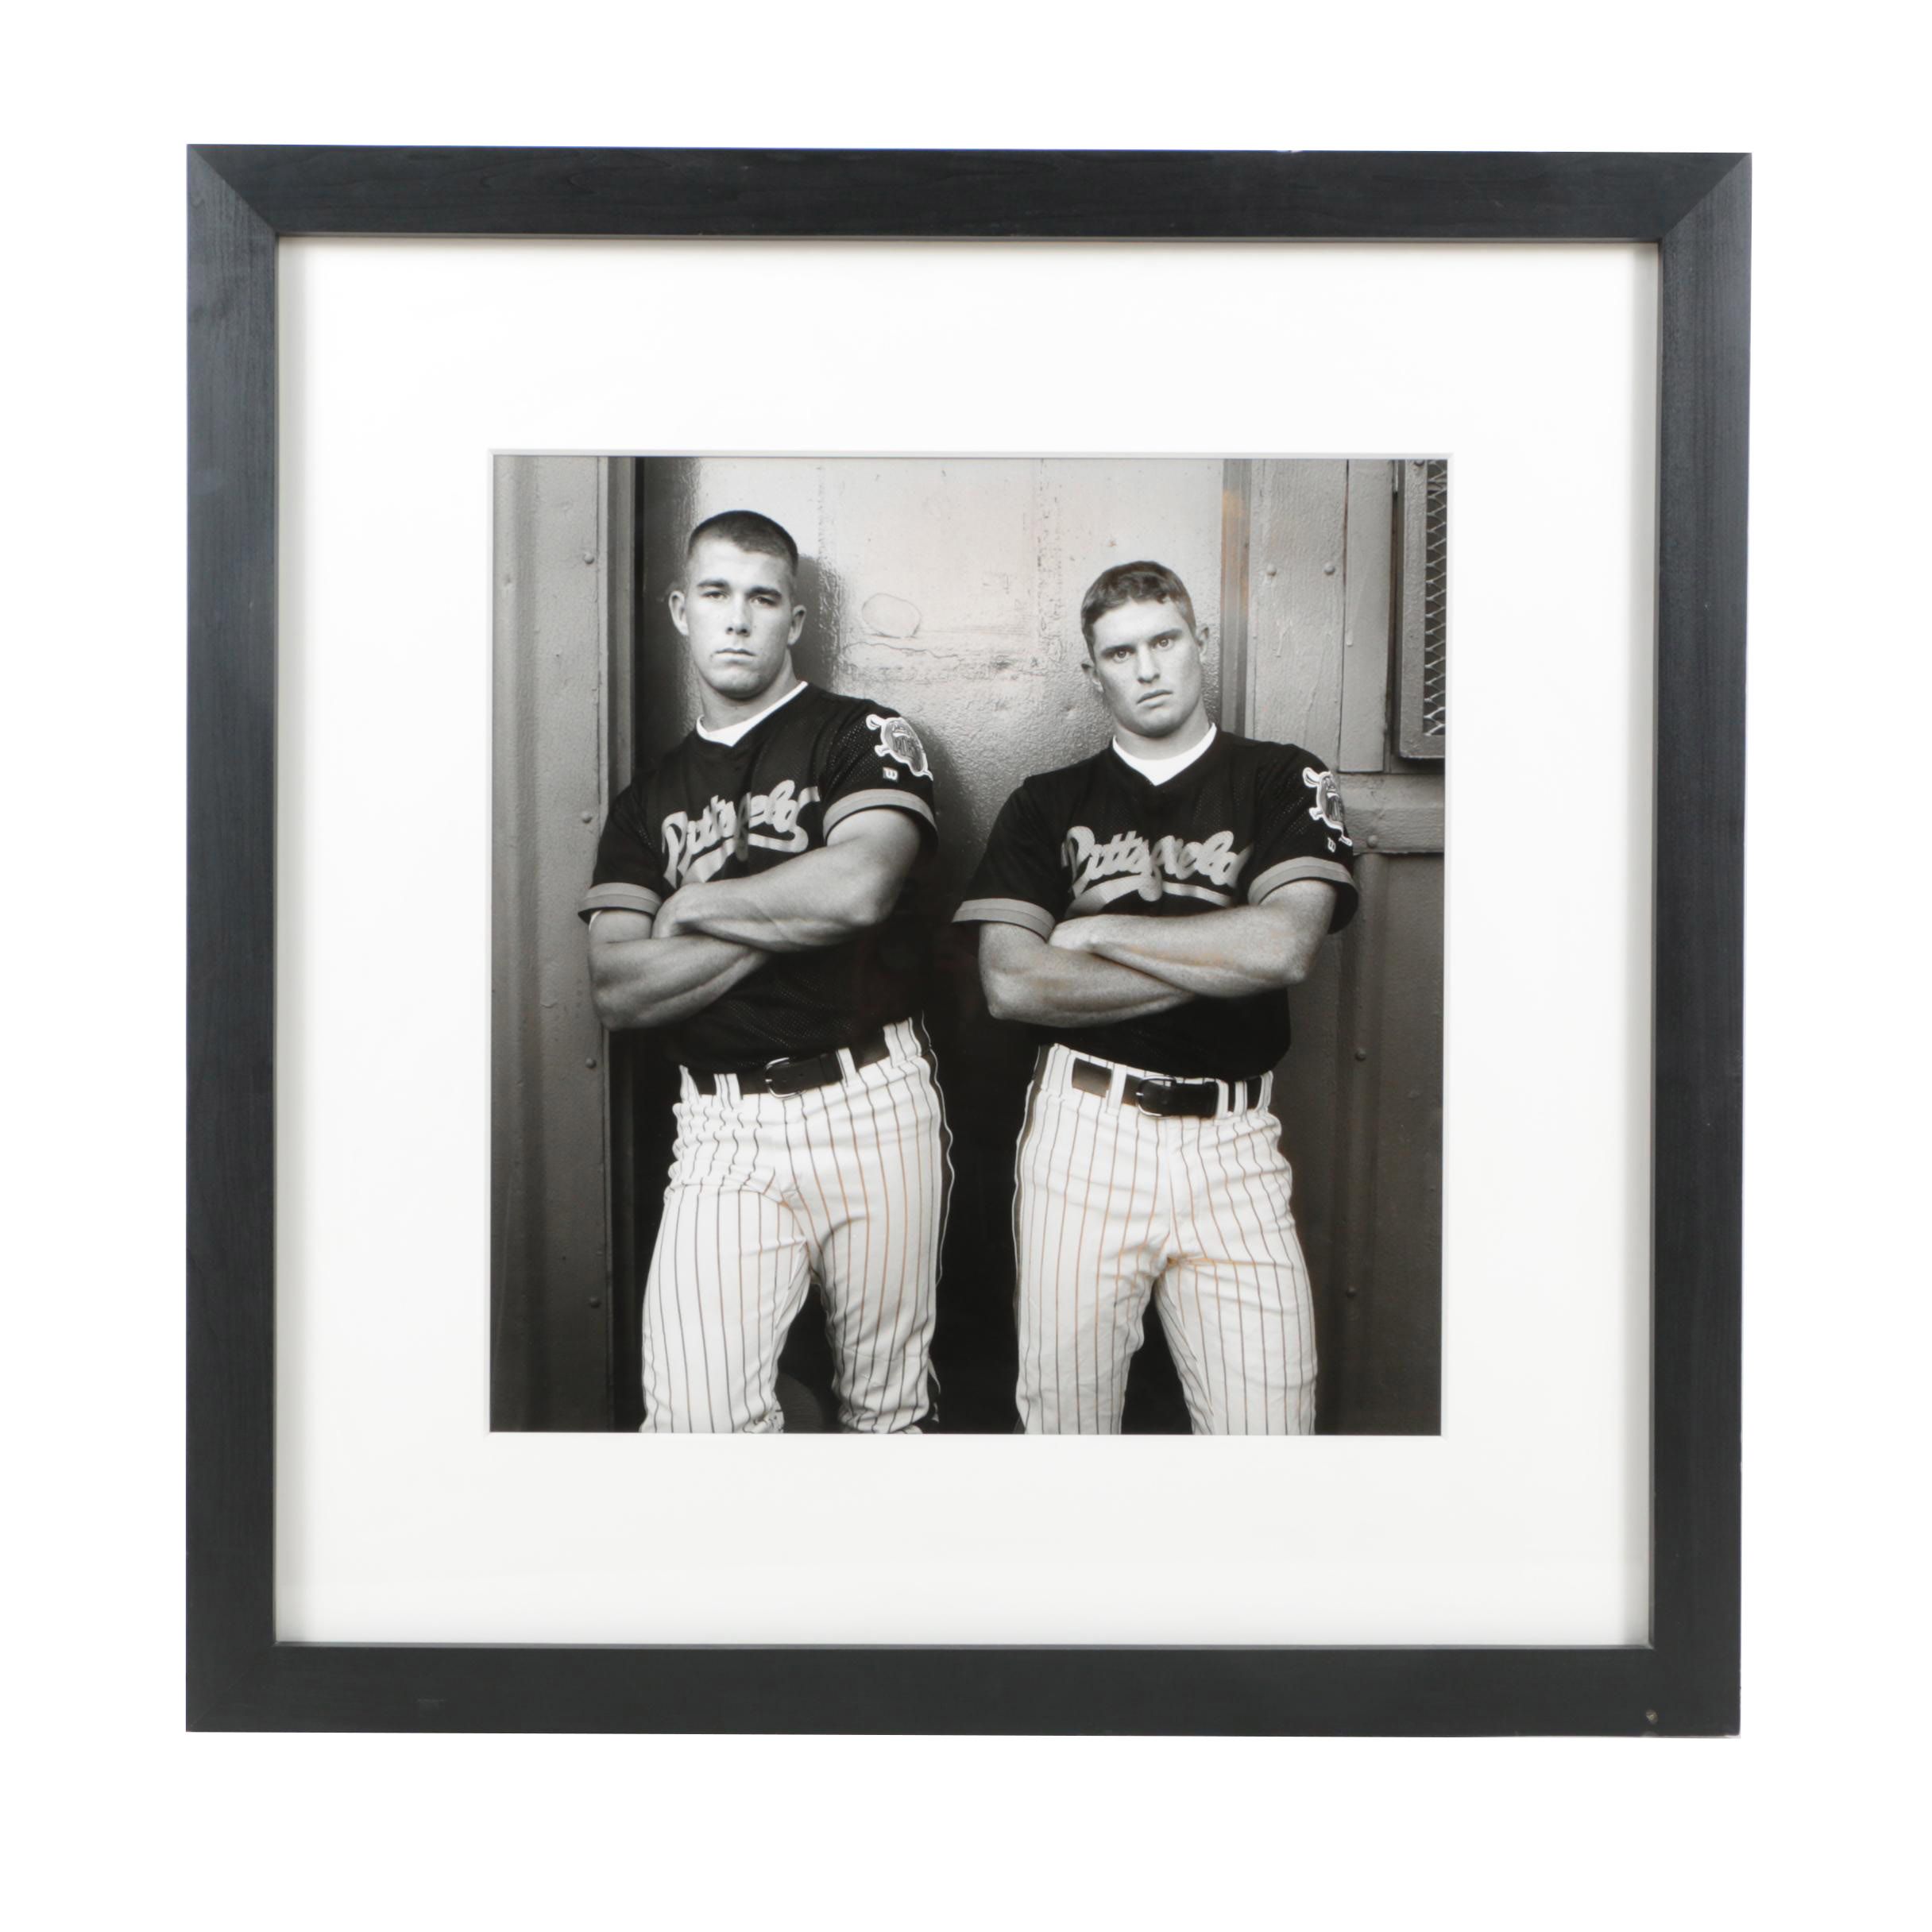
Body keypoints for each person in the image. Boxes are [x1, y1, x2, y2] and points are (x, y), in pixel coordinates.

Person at [955, 559, 1356, 1434]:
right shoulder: (1046, 802)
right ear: (1092, 671)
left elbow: (1283, 946)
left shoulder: (1279, 779)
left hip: (1234, 1143)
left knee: (1269, 1437)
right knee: (1065, 1428)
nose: (1146, 669)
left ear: (1198, 641)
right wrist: (1213, 962)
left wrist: (1097, 932)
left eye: (1164, 641)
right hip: (1085, 1135)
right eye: (1120, 652)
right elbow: (1012, 982)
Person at [581, 510, 947, 1432]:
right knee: (697, 1415)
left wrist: (691, 906)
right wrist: (790, 914)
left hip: (871, 1098)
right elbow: (619, 987)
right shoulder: (645, 802)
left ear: (795, 618)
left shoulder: (860, 733)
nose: (737, 618)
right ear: (681, 610)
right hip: (722, 1123)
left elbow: (859, 887)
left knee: (886, 1410)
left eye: (762, 597)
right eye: (715, 593)